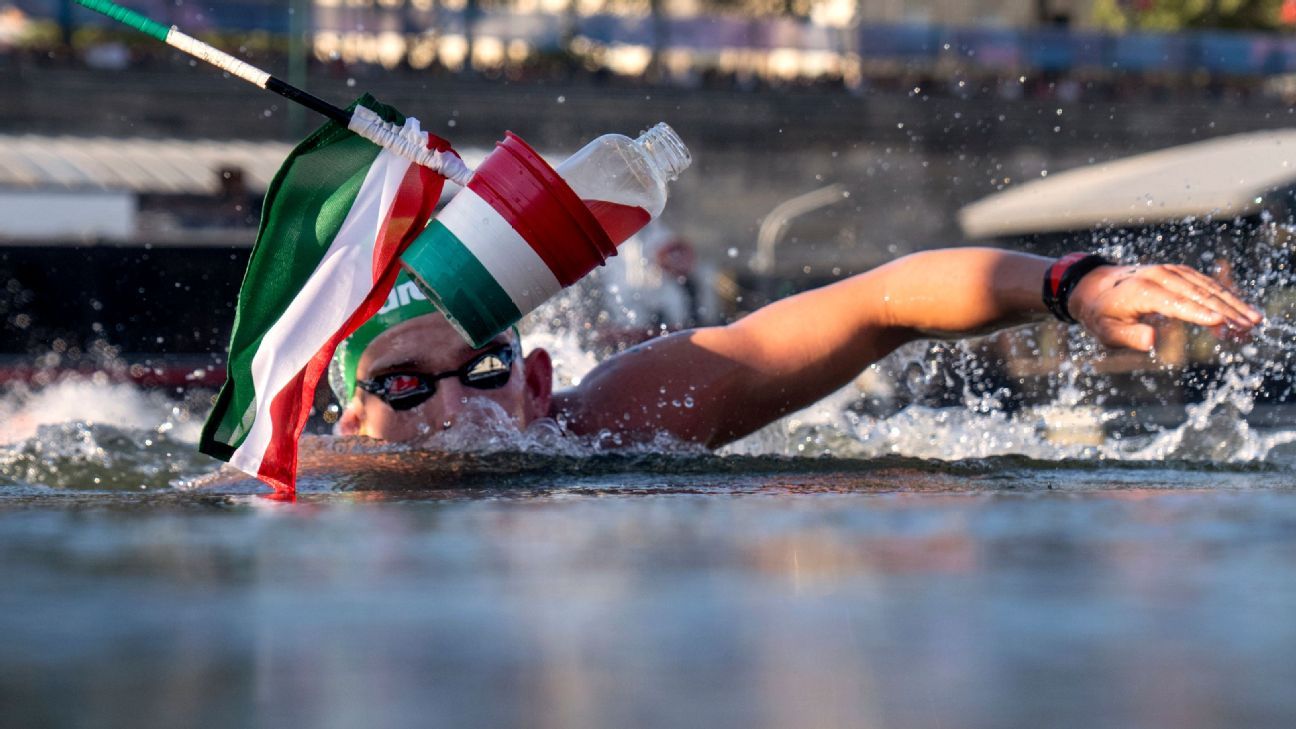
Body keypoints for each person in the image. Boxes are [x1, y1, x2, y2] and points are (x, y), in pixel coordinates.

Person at [329, 248, 1262, 447]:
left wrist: (1076, 285)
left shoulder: (611, 423)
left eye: (483, 370)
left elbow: (874, 302)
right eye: (406, 385)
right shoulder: (307, 485)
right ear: (350, 417)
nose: (456, 412)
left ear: (535, 381)